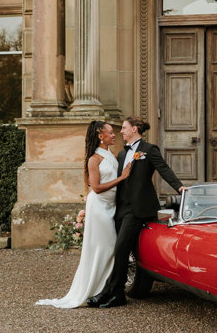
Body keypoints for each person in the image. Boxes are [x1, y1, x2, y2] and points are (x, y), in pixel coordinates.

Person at [87, 116, 186, 308]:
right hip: (121, 208)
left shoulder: (149, 150)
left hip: (138, 209)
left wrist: (179, 187)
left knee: (121, 248)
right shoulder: (122, 155)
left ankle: (115, 294)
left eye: (124, 128)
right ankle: (112, 292)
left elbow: (164, 169)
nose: (121, 131)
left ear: (135, 129)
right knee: (120, 250)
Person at [36, 121, 131, 308]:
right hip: (99, 208)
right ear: (100, 135)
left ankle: (105, 288)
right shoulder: (94, 159)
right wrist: (122, 178)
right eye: (110, 132)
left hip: (111, 206)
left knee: (111, 248)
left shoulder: (111, 155)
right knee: (105, 247)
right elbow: (95, 188)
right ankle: (96, 290)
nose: (114, 135)